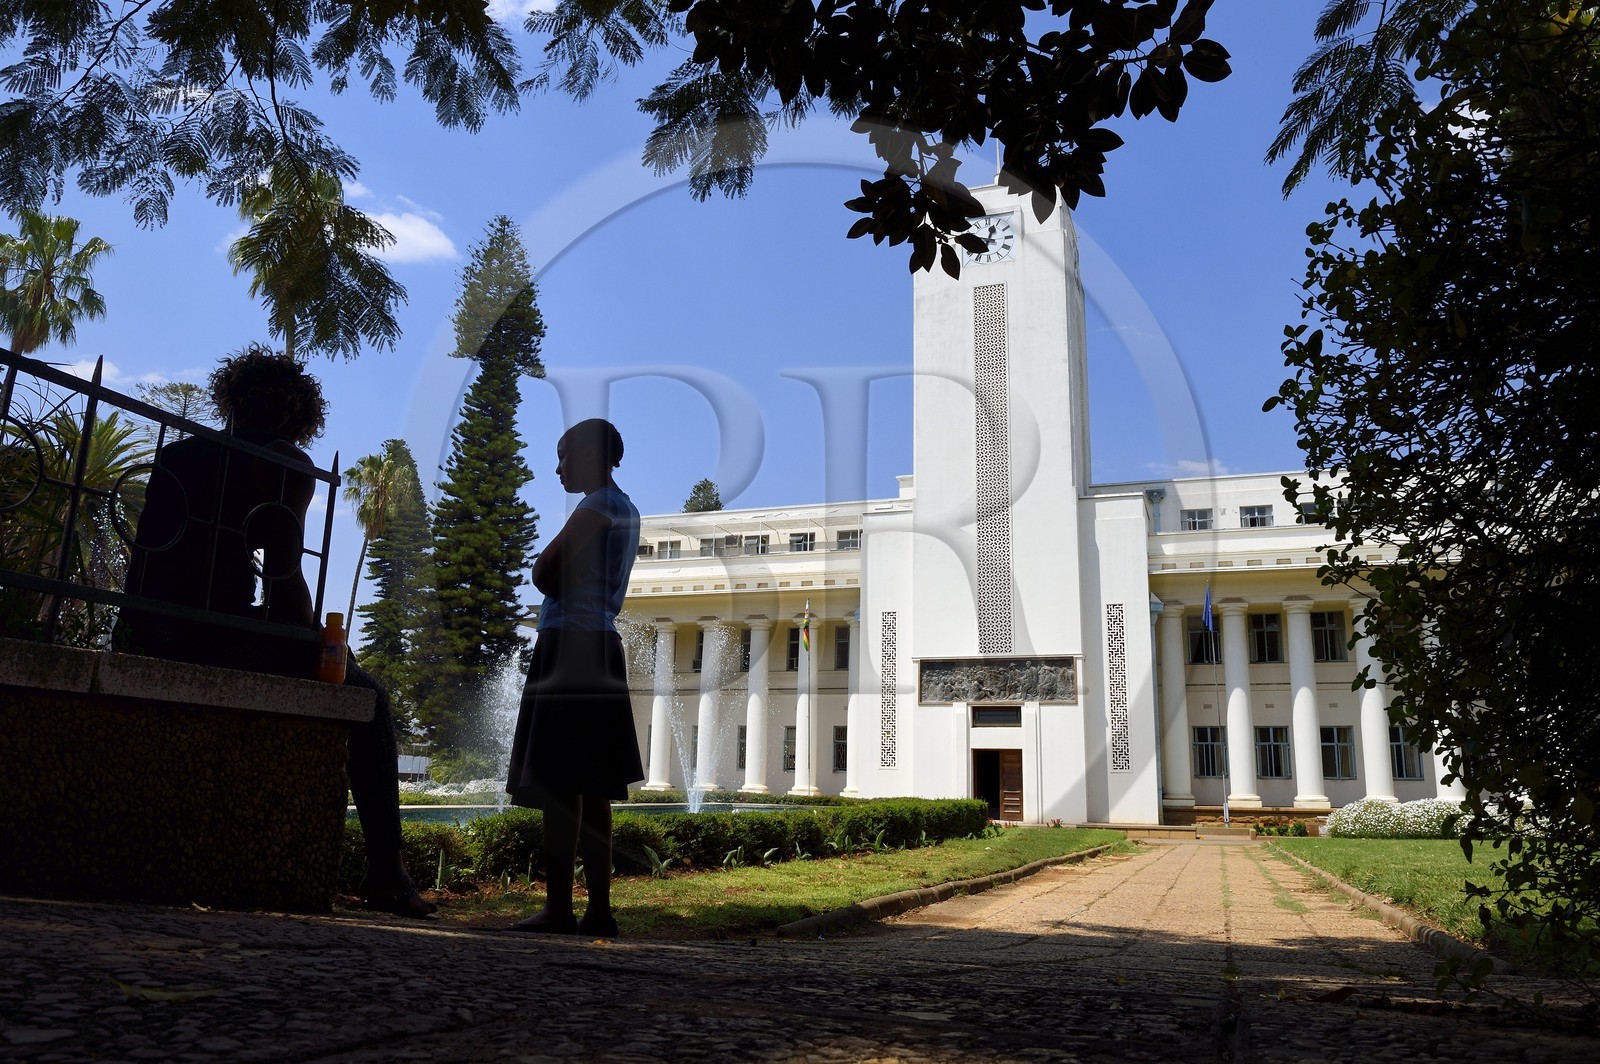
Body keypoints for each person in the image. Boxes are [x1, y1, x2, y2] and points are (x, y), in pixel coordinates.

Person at [116, 346, 435, 918]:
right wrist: (321, 643)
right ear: (300, 414)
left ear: (231, 398)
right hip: (215, 636)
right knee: (369, 698)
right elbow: (285, 581)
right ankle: (387, 870)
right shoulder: (282, 462)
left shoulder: (183, 455)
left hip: (153, 628)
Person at [505, 418, 643, 936]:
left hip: (570, 646)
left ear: (590, 454)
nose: (558, 466)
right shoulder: (625, 506)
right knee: (594, 784)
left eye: (564, 455)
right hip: (601, 643)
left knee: (561, 782)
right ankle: (599, 909)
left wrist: (549, 565)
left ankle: (559, 907)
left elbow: (544, 574)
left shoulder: (596, 506)